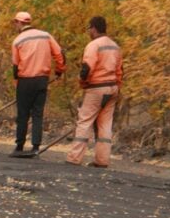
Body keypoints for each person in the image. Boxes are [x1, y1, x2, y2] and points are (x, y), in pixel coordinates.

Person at [66, 16, 122, 168]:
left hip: (96, 87)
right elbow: (120, 71)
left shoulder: (93, 45)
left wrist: (83, 83)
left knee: (84, 122)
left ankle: (74, 158)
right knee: (105, 125)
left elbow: (86, 69)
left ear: (94, 28)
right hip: (113, 88)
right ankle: (102, 160)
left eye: (89, 28)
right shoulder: (115, 46)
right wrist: (117, 87)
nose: (88, 31)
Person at [10, 11, 66, 158]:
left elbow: (15, 66)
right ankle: (35, 147)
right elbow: (60, 54)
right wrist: (59, 71)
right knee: (37, 114)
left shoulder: (18, 40)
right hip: (42, 79)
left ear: (19, 22)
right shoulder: (45, 35)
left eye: (15, 22)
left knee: (23, 114)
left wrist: (17, 82)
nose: (15, 25)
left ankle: (19, 146)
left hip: (25, 80)